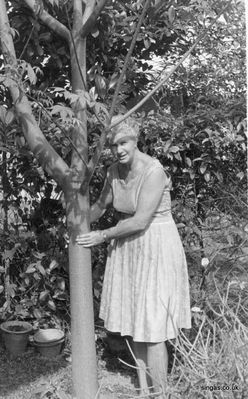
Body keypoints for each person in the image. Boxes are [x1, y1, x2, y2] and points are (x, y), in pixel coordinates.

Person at [76, 116, 191, 398]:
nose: (118, 150)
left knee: (152, 327)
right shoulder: (114, 171)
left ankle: (160, 393)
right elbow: (101, 206)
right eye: (113, 145)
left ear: (135, 140)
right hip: (128, 247)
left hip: (155, 245)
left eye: (123, 142)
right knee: (136, 323)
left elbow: (140, 221)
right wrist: (76, 222)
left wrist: (102, 236)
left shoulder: (154, 172)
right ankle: (143, 390)